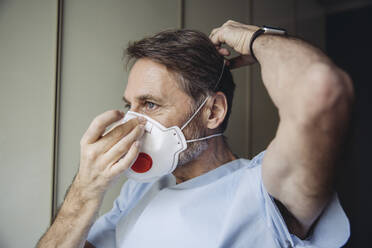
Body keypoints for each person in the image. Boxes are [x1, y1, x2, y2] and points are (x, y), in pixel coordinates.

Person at [37, 20, 353, 248]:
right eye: (129, 105)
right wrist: (85, 190)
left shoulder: (263, 192)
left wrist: (256, 39)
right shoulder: (138, 191)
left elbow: (321, 91)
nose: (132, 123)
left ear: (213, 111)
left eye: (149, 104)